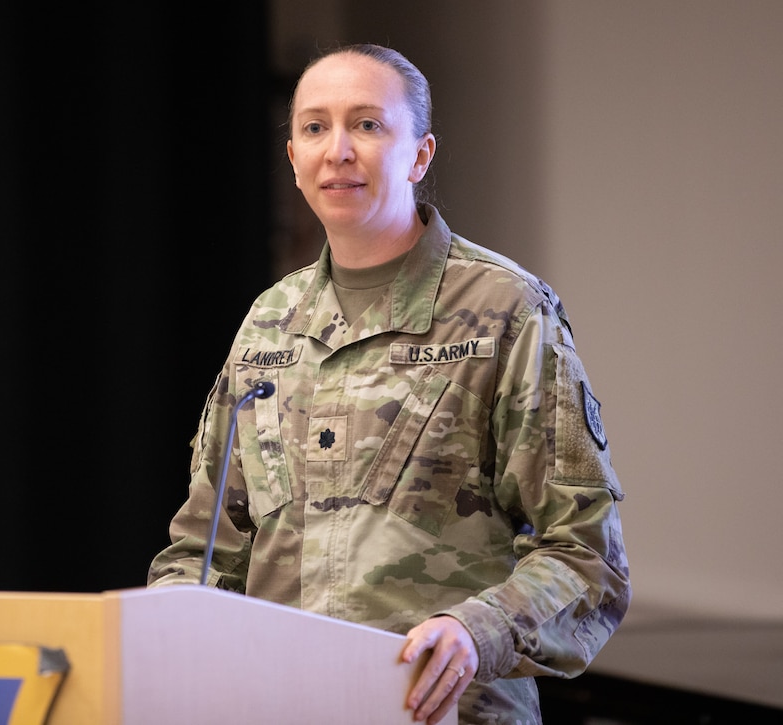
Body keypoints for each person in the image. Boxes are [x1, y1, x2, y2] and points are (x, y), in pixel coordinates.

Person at [147, 42, 631, 724]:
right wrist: (157, 640)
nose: (338, 149)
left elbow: (585, 555)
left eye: (368, 124)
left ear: (420, 155)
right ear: (292, 158)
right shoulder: (268, 323)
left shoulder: (506, 309)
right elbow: (203, 553)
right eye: (315, 127)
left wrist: (476, 631)